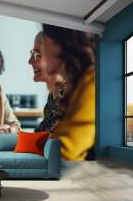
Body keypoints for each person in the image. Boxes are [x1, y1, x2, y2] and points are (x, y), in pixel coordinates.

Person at [40, 24, 96, 160]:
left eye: (43, 43)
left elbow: (66, 150)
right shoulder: (78, 84)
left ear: (56, 44)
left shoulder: (92, 82)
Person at [28, 31, 65, 133]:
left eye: (37, 55)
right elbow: (41, 133)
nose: (30, 61)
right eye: (32, 54)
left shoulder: (71, 96)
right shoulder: (53, 95)